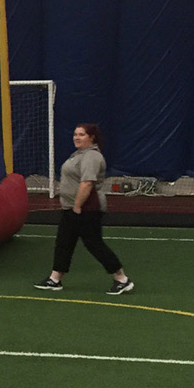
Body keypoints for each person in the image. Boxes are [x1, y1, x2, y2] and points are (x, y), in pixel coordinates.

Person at [33, 123, 135, 295]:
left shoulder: (91, 157)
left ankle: (122, 278)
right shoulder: (78, 155)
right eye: (75, 134)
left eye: (81, 134)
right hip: (71, 208)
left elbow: (87, 183)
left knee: (94, 244)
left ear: (91, 138)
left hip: (86, 209)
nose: (76, 137)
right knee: (64, 242)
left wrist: (77, 206)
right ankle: (55, 279)